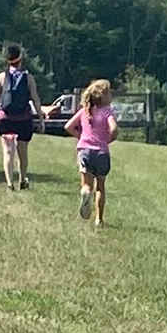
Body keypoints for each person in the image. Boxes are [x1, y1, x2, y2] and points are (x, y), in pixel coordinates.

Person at [0, 42, 40, 192]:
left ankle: (10, 183)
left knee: (8, 151)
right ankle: (22, 180)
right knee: (22, 151)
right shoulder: (28, 78)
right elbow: (35, 99)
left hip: (6, 119)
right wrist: (41, 118)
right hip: (23, 119)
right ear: (20, 59)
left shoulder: (2, 77)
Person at [72, 76, 117, 226]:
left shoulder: (84, 111)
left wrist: (81, 137)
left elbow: (68, 126)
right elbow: (114, 129)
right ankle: (99, 219)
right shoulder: (107, 112)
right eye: (109, 93)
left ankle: (85, 192)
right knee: (100, 187)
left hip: (85, 151)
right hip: (101, 152)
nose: (111, 95)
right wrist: (108, 139)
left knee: (87, 184)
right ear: (103, 96)